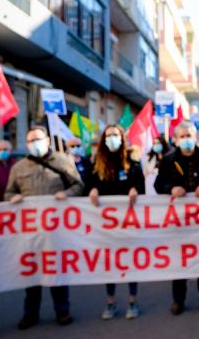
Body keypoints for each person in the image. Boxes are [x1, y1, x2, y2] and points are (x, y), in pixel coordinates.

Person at [6, 126, 83, 330]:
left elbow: (78, 186)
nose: (34, 144)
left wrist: (67, 195)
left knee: (56, 269)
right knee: (32, 274)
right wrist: (13, 198)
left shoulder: (62, 161)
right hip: (30, 232)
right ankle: (30, 314)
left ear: (47, 140)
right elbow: (8, 193)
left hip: (56, 230)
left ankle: (62, 311)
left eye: (38, 139)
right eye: (30, 141)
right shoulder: (19, 167)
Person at [154, 122, 199, 315]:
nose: (186, 140)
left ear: (195, 137)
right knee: (179, 259)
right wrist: (171, 189)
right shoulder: (168, 161)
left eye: (189, 135)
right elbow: (159, 184)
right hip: (179, 221)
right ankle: (178, 300)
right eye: (182, 136)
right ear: (175, 139)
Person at [86, 125, 145, 320]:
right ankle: (110, 301)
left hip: (128, 222)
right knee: (110, 263)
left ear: (122, 137)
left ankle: (133, 300)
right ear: (103, 139)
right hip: (106, 224)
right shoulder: (97, 164)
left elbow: (141, 186)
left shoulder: (132, 162)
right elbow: (89, 184)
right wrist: (92, 189)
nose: (112, 138)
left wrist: (135, 189)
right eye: (108, 135)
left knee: (130, 260)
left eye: (115, 135)